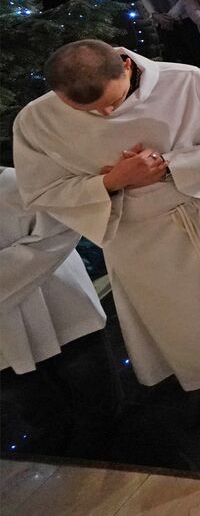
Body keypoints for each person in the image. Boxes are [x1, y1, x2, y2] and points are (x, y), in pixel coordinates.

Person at [12, 41, 200, 392]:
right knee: (177, 315)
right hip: (133, 232)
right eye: (90, 111)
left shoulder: (188, 82)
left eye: (113, 103)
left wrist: (169, 166)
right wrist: (111, 181)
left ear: (127, 67)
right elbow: (41, 191)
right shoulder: (36, 120)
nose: (106, 116)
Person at [0, 165, 111, 450]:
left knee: (103, 405)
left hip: (60, 306)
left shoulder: (14, 184)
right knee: (44, 420)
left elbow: (62, 226)